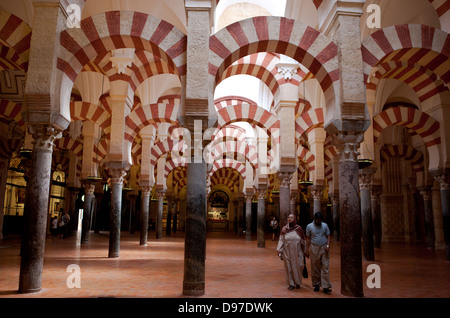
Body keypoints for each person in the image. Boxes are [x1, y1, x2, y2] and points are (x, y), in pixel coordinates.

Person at [276, 214, 306, 290]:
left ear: (295, 219)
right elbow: (281, 239)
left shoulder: (299, 229)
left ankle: (298, 282)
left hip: (297, 251)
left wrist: (305, 250)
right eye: (288, 217)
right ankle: (291, 283)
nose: (289, 218)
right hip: (287, 251)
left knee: (299, 266)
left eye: (291, 217)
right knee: (289, 267)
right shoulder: (284, 229)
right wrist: (279, 249)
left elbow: (303, 240)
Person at [305, 212, 332, 294]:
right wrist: (307, 249)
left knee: (325, 266)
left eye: (320, 220)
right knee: (315, 267)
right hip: (314, 247)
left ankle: (325, 286)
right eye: (317, 220)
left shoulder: (325, 225)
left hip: (324, 247)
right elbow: (308, 238)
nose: (318, 221)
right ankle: (316, 284)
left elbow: (328, 236)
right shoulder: (309, 226)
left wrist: (328, 245)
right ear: (314, 219)